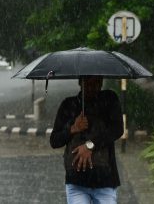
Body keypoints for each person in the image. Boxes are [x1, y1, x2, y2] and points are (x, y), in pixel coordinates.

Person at [50, 76, 123, 204]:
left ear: (101, 83)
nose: (91, 87)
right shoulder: (68, 105)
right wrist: (73, 128)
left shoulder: (109, 100)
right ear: (80, 82)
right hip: (76, 181)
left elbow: (117, 129)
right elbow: (55, 141)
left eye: (95, 83)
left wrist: (90, 145)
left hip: (105, 180)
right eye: (87, 83)